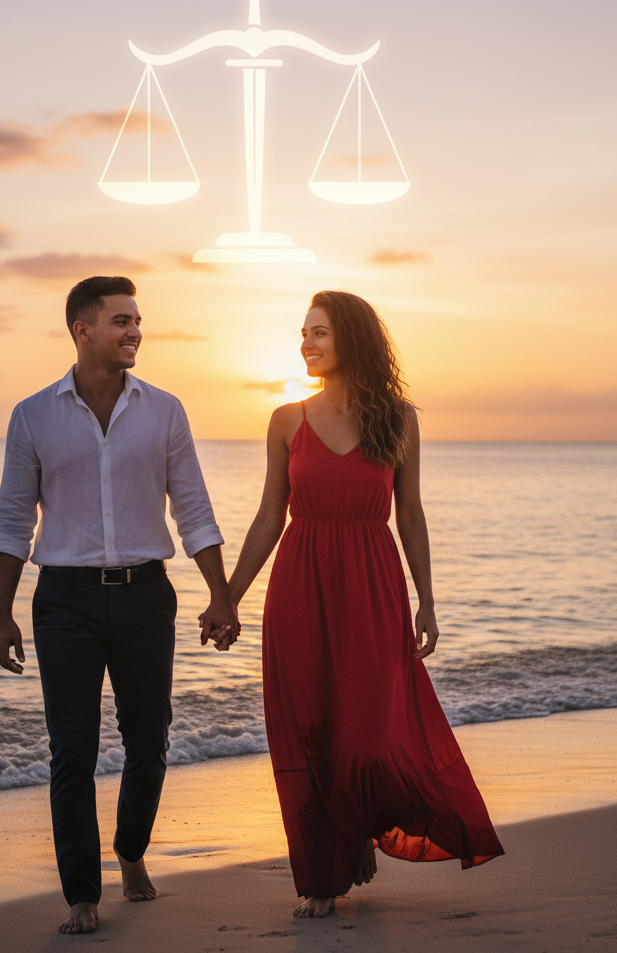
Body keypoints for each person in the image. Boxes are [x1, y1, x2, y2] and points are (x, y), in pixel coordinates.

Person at [227, 290, 504, 919]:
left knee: (369, 740)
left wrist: (427, 600)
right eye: (303, 333)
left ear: (350, 338)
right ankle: (325, 875)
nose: (307, 343)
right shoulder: (286, 420)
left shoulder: (397, 419)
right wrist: (228, 597)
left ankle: (359, 829)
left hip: (373, 588)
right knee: (314, 733)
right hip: (300, 587)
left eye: (319, 332)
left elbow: (410, 513)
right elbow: (270, 516)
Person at [0, 276, 239, 936]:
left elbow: (193, 509)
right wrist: (1, 611)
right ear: (83, 330)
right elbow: (14, 520)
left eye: (136, 321)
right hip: (63, 602)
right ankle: (81, 894)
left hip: (144, 596)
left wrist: (220, 592)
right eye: (121, 321)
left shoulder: (164, 411)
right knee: (71, 749)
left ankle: (130, 851)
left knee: (148, 742)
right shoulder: (33, 415)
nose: (134, 332)